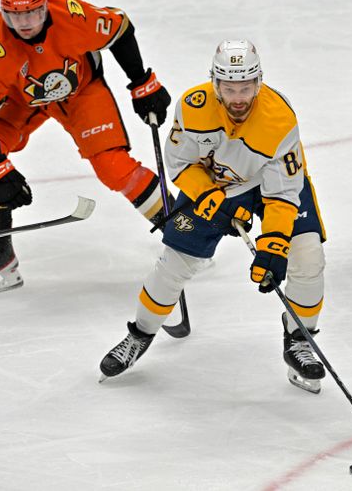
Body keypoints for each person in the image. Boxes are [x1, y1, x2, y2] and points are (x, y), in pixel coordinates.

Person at [99, 40, 329, 393]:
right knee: (174, 264)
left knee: (307, 254)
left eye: (246, 87)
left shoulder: (280, 119)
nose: (238, 97)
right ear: (215, 83)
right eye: (229, 88)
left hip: (270, 185)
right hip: (216, 186)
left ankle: (300, 339)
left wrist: (276, 242)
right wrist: (208, 194)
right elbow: (178, 164)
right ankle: (141, 334)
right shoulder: (193, 108)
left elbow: (282, 193)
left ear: (259, 82)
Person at [0, 0, 172, 297]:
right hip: (22, 100)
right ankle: (2, 252)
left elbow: (120, 28)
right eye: (15, 15)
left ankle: (184, 232)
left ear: (44, 6)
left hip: (81, 92)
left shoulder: (73, 14)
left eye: (32, 11)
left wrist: (141, 81)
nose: (25, 22)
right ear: (4, 13)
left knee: (113, 166)